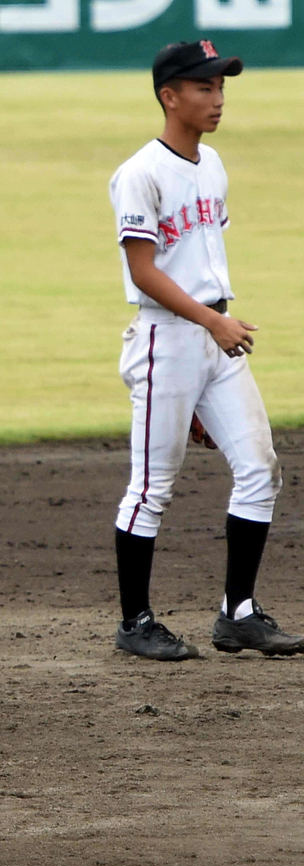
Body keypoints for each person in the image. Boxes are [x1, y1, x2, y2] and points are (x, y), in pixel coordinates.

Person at [109, 38, 304, 661]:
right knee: (151, 488)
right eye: (204, 87)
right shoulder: (140, 173)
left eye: (220, 87)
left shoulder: (212, 164)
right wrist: (209, 323)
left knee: (260, 469)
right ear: (169, 96)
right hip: (167, 340)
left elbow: (202, 257)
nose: (217, 99)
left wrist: (215, 328)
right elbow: (143, 271)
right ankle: (136, 622)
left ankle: (238, 614)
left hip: (216, 335)